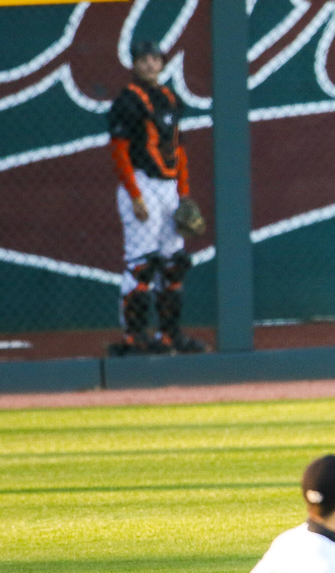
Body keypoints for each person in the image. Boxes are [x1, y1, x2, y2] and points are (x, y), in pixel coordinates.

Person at [107, 39, 207, 355]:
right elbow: (119, 153)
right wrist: (136, 196)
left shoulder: (169, 98)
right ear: (133, 65)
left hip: (168, 186)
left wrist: (184, 195)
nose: (150, 64)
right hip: (141, 182)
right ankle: (133, 338)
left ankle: (169, 336)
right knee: (142, 265)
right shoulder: (126, 101)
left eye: (155, 59)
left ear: (162, 63)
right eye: (144, 59)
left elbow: (180, 150)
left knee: (173, 264)